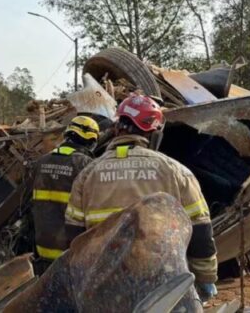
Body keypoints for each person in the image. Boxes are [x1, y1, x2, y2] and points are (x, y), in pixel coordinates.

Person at [65, 93, 218, 301]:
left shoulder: (87, 175)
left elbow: (74, 239)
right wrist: (206, 278)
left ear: (117, 128)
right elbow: (200, 230)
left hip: (104, 286)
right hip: (162, 285)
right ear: (154, 132)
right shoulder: (176, 171)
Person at [30, 115, 99, 274]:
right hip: (69, 252)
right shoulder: (86, 165)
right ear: (90, 141)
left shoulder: (41, 162)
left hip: (41, 248)